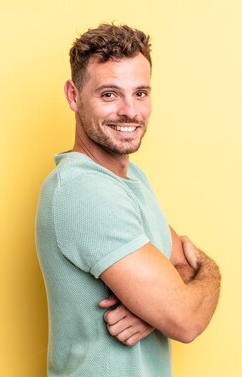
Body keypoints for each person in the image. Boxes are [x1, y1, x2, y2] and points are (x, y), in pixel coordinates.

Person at [35, 23, 221, 377]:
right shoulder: (83, 191)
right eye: (109, 94)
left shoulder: (131, 180)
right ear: (74, 96)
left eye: (140, 93)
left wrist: (153, 307)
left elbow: (179, 264)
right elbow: (186, 320)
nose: (129, 111)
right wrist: (209, 276)